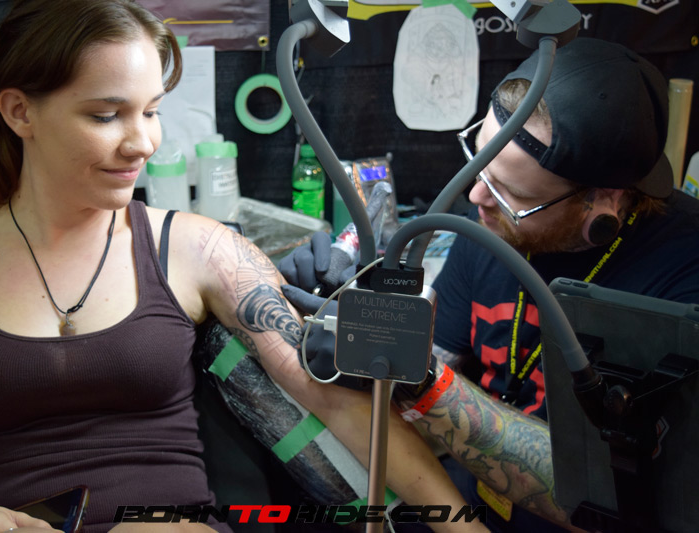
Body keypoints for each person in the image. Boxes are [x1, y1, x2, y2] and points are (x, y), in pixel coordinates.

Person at [0, 1, 489, 532]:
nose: (143, 143)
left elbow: (339, 405)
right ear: (19, 112)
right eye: (106, 116)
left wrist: (462, 529)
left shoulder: (199, 249)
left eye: (151, 111)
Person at [279, 37, 699, 533]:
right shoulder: (489, 226)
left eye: (509, 192)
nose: (476, 196)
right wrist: (352, 309)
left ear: (603, 204)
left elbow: (606, 500)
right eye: (479, 165)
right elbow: (421, 370)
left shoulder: (680, 286)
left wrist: (422, 376)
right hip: (471, 502)